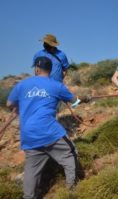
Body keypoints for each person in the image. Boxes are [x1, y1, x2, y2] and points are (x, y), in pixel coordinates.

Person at [6, 56, 89, 199]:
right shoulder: (56, 85)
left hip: (29, 134)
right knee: (70, 153)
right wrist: (85, 98)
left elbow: (9, 104)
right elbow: (74, 102)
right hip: (49, 132)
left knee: (32, 169)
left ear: (36, 69)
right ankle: (71, 190)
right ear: (50, 70)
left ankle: (28, 197)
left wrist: (21, 105)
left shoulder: (22, 85)